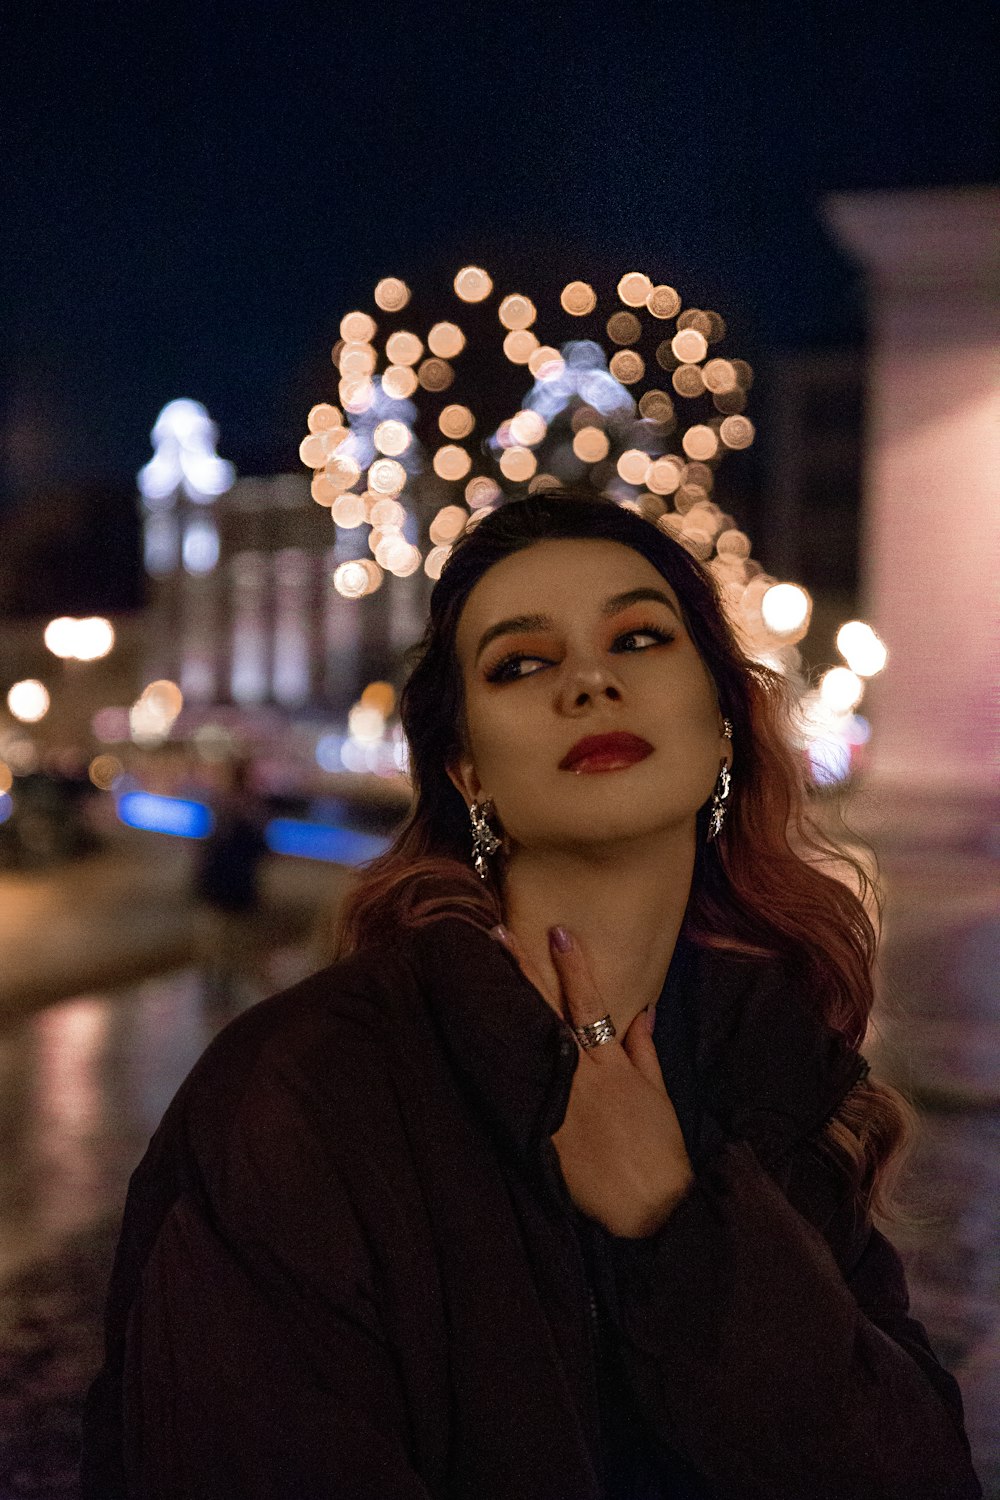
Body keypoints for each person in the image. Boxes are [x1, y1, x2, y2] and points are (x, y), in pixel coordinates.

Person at [81, 491, 982, 1499]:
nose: (590, 683)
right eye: (521, 662)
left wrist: (680, 1226)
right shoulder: (300, 1093)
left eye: (638, 639)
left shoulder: (780, 1062)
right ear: (466, 771)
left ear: (725, 723)